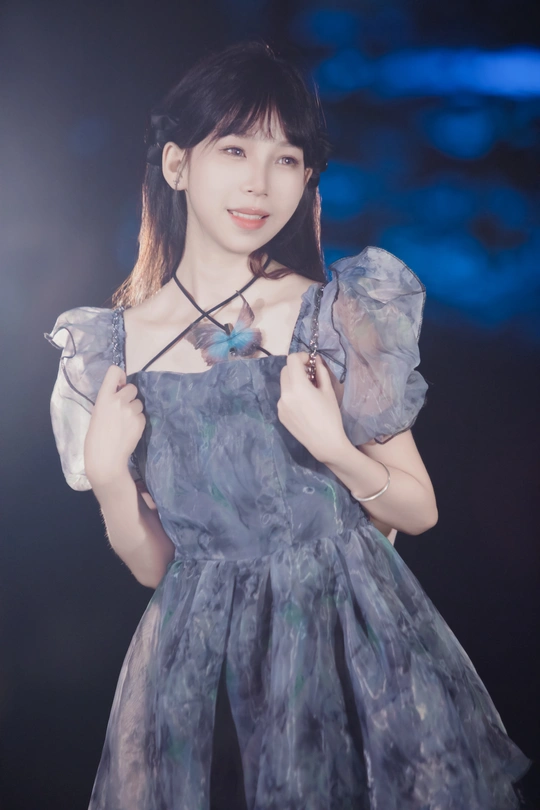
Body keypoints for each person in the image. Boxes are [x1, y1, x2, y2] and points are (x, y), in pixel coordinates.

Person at [44, 41, 532, 810]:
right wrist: (109, 480)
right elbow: (157, 569)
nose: (260, 183)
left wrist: (333, 446)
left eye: (287, 158)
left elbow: (417, 509)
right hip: (198, 677)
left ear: (307, 178)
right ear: (176, 163)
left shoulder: (332, 313)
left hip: (348, 656)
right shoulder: (115, 345)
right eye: (235, 149)